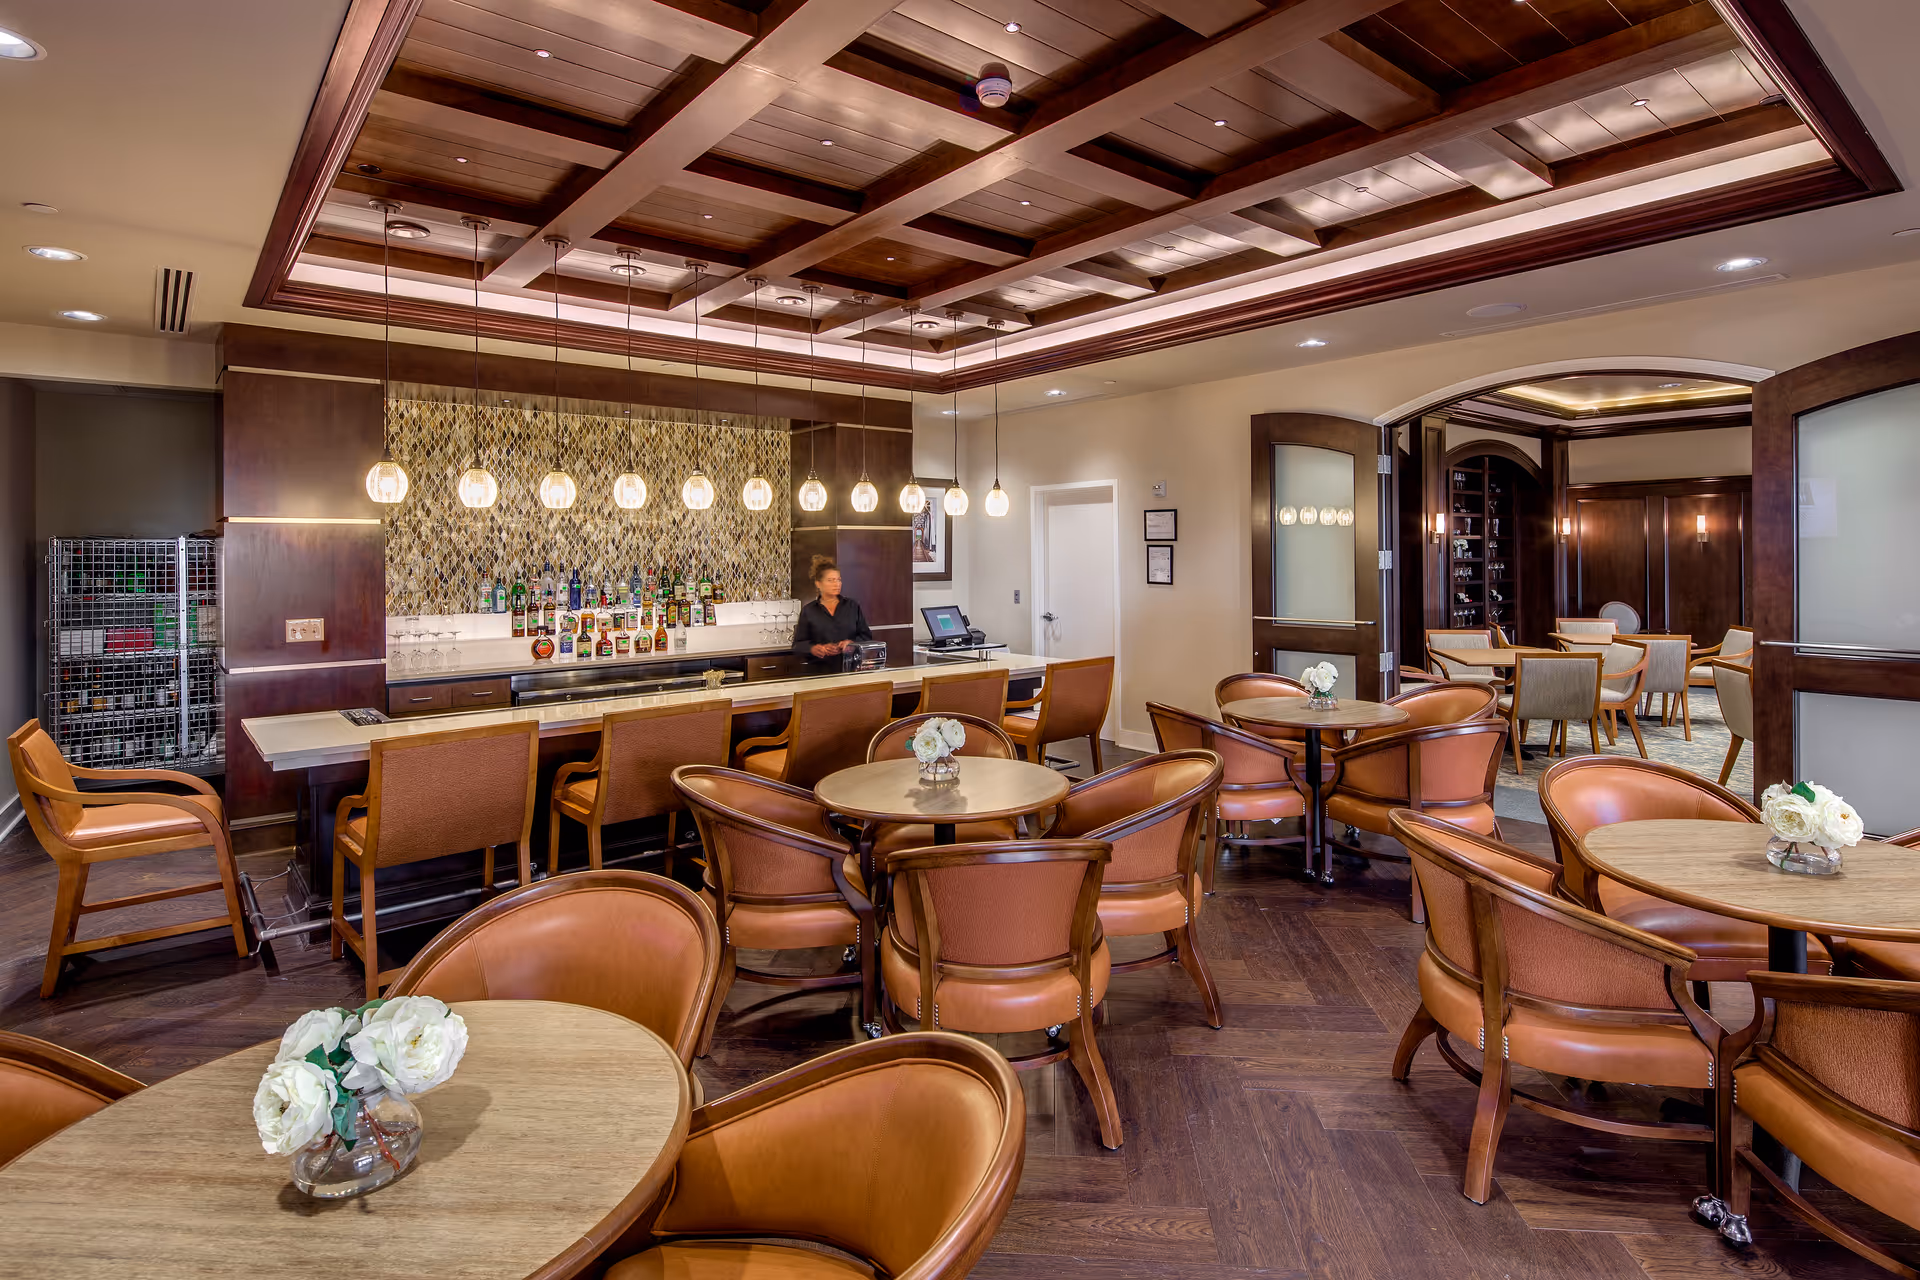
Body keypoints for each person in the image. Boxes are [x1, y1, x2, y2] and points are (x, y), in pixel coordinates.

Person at [791, 555, 873, 668]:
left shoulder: (852, 606)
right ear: (818, 584)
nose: (837, 584)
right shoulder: (809, 610)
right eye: (830, 580)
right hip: (819, 670)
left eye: (838, 580)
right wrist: (813, 649)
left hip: (851, 668)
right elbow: (798, 645)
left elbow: (866, 636)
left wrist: (851, 643)